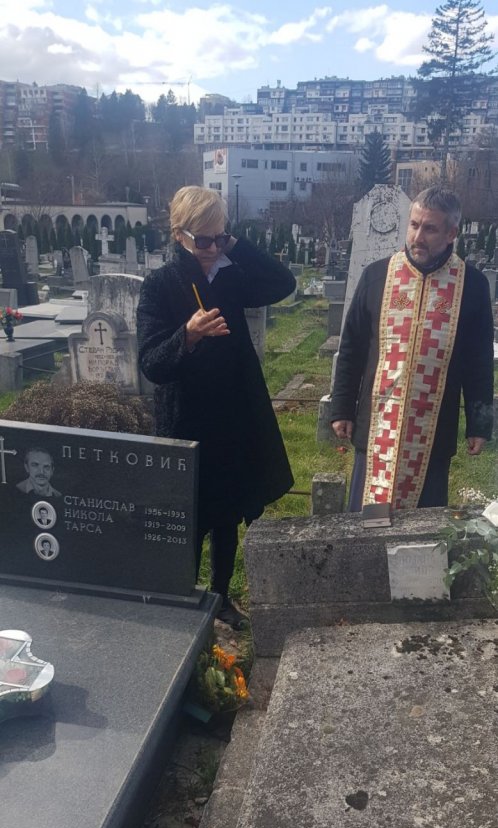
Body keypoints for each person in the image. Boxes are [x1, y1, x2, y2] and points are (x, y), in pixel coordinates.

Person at [137, 186, 295, 628]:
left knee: (227, 514)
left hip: (232, 415)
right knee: (188, 518)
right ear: (178, 235)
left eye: (219, 237)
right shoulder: (160, 285)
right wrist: (187, 335)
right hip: (185, 421)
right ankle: (182, 600)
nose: (211, 249)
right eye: (202, 239)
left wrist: (235, 245)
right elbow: (151, 364)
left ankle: (222, 596)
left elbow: (283, 283)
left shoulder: (230, 276)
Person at [330, 186, 494, 511]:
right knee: (365, 523)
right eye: (414, 225)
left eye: (429, 228)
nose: (418, 237)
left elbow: (478, 361)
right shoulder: (377, 276)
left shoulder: (471, 285)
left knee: (422, 528)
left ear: (451, 233)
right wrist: (342, 407)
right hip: (376, 427)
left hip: (432, 432)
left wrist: (479, 424)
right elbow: (352, 347)